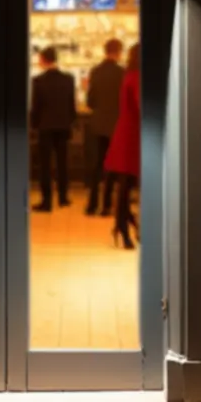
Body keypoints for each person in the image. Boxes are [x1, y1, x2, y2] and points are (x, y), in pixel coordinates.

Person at [30, 46, 77, 213]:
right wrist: (70, 121)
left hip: (45, 126)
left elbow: (36, 107)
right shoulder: (68, 79)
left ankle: (47, 201)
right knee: (63, 163)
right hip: (63, 125)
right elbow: (72, 104)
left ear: (43, 60)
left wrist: (34, 124)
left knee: (45, 165)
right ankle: (63, 197)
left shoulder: (38, 81)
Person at [105, 42, 141, 249]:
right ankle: (124, 227)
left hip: (125, 133)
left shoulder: (129, 75)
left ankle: (124, 224)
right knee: (127, 185)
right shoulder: (138, 78)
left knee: (125, 185)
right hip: (133, 136)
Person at [85, 39, 124, 217]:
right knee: (112, 165)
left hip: (97, 124)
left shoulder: (95, 71)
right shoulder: (122, 73)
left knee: (96, 165)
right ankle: (106, 205)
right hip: (116, 125)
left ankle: (92, 204)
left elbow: (90, 101)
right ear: (119, 52)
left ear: (105, 50)